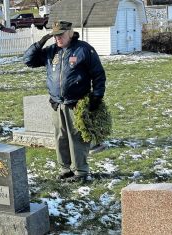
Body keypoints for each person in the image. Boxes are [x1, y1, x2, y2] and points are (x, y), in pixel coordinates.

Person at [23, 20, 106, 183]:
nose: (57, 38)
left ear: (70, 33)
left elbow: (98, 75)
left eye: (60, 35)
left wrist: (97, 96)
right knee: (60, 136)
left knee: (77, 137)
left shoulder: (83, 49)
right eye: (55, 36)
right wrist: (41, 42)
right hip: (56, 103)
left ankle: (80, 171)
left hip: (77, 103)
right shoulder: (51, 51)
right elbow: (28, 60)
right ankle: (65, 168)